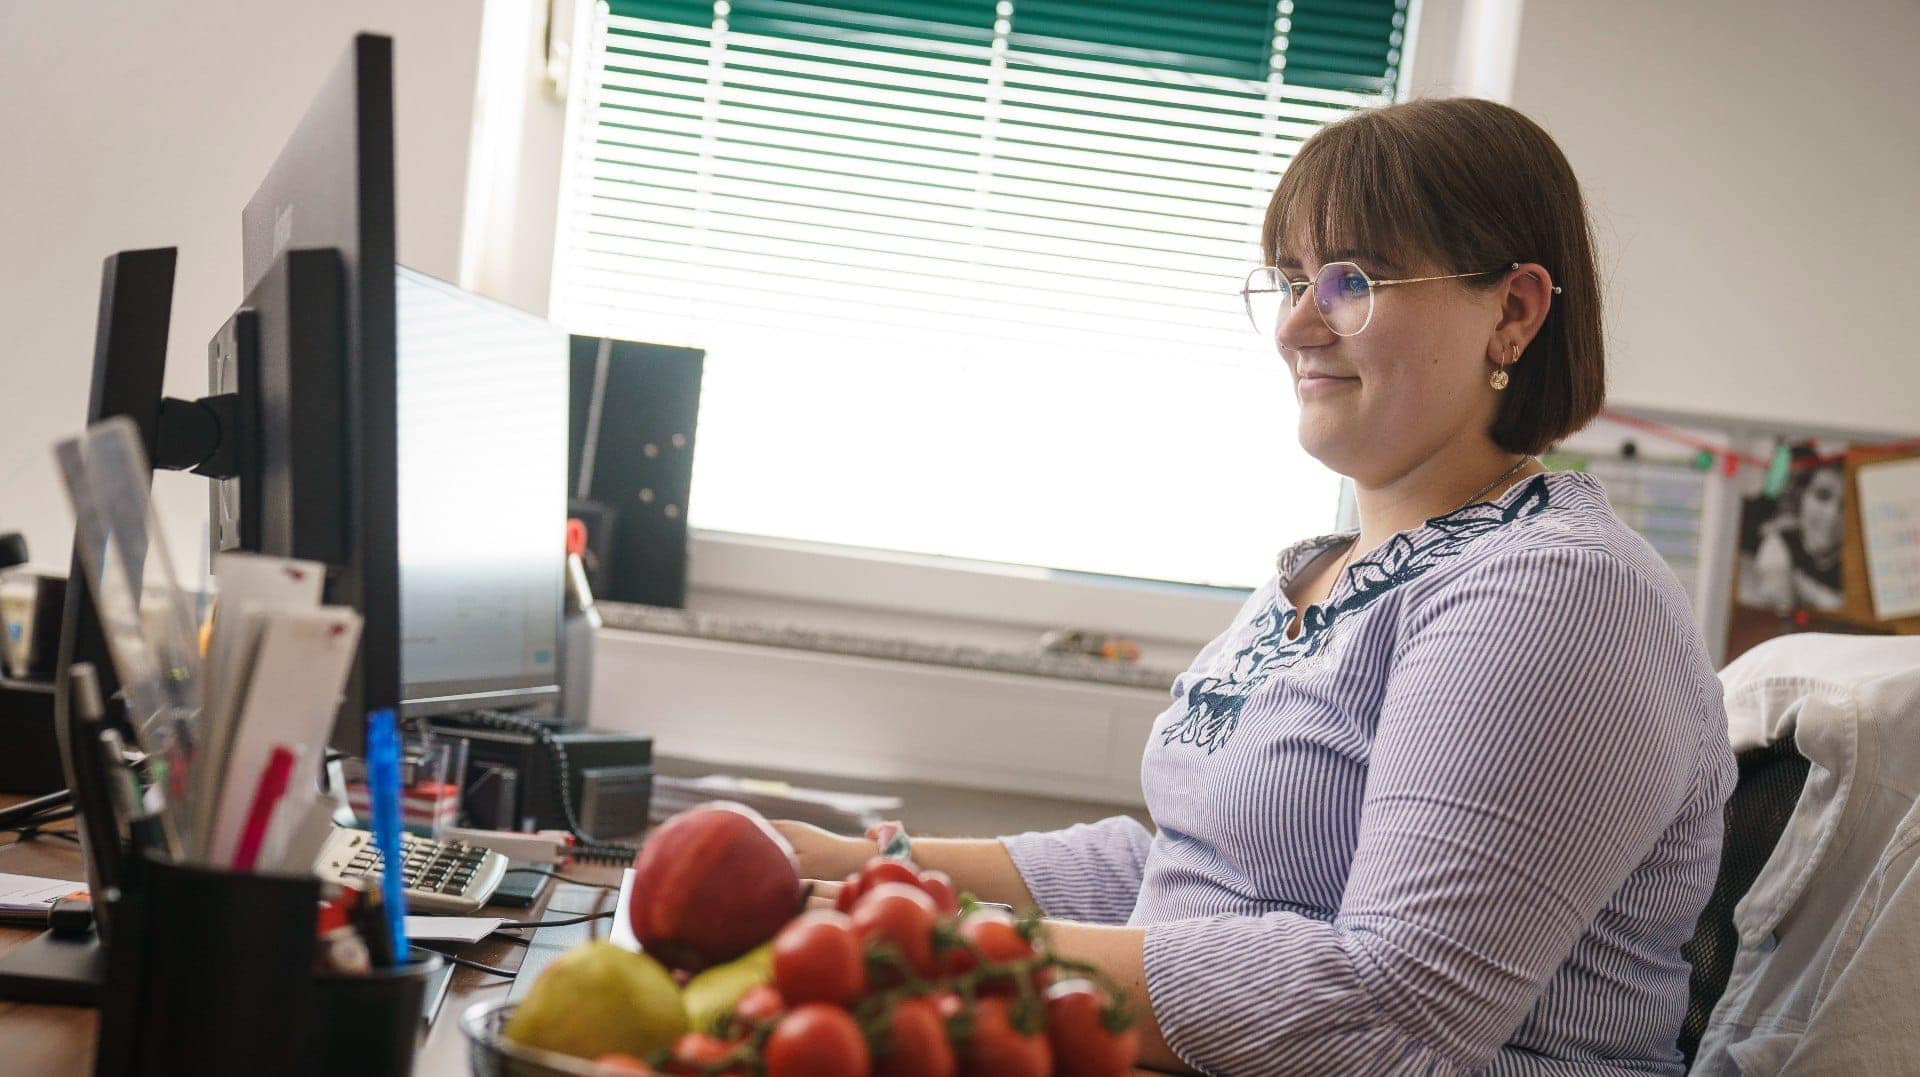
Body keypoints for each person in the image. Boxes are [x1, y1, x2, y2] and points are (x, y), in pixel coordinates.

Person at [775, 98, 1737, 1075]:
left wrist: (924, 946)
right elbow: (1186, 877)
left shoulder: (1557, 594)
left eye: (1350, 279)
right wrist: (867, 868)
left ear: (1515, 312)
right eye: (1287, 281)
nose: (1295, 326)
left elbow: (1385, 1013)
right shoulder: (1322, 572)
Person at [1745, 452, 1847, 612]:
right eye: (1822, 495)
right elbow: (1776, 597)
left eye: (1846, 505)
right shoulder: (1781, 542)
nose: (1832, 514)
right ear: (1801, 497)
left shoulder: (1856, 563)